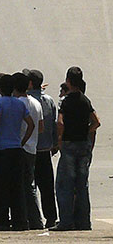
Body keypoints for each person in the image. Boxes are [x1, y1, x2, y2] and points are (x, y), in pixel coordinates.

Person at [52, 67, 100, 231]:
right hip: (83, 145)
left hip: (70, 144)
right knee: (81, 184)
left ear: (68, 81)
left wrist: (59, 140)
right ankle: (84, 221)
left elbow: (60, 122)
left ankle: (66, 221)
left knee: (65, 184)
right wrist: (85, 130)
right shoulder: (85, 100)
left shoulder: (65, 101)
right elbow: (96, 122)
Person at [0, 74, 34, 231]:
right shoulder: (19, 104)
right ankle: (20, 220)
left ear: (0, 88)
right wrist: (22, 141)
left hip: (2, 149)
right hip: (16, 149)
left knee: (1, 186)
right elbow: (31, 125)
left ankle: (3, 220)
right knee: (17, 186)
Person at [26, 69, 59, 229]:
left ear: (30, 83)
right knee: (47, 187)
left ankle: (33, 217)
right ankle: (51, 217)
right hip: (46, 148)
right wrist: (55, 143)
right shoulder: (48, 100)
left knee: (29, 185)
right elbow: (53, 123)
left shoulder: (26, 100)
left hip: (30, 148)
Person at [12, 72, 44, 230]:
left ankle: (31, 219)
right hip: (33, 148)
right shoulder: (36, 103)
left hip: (21, 147)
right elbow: (41, 127)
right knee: (28, 184)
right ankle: (33, 219)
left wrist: (22, 141)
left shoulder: (17, 103)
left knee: (23, 186)